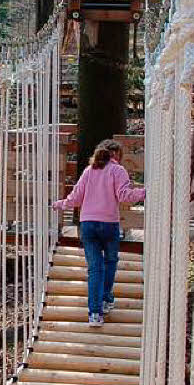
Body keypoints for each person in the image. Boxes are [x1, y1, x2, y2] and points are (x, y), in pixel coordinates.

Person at [52, 139, 145, 326]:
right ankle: (106, 299)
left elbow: (75, 198)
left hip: (88, 225)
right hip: (109, 225)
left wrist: (59, 204)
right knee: (110, 261)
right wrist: (145, 192)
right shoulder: (118, 171)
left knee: (95, 268)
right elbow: (125, 196)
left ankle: (94, 314)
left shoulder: (89, 171)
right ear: (117, 154)